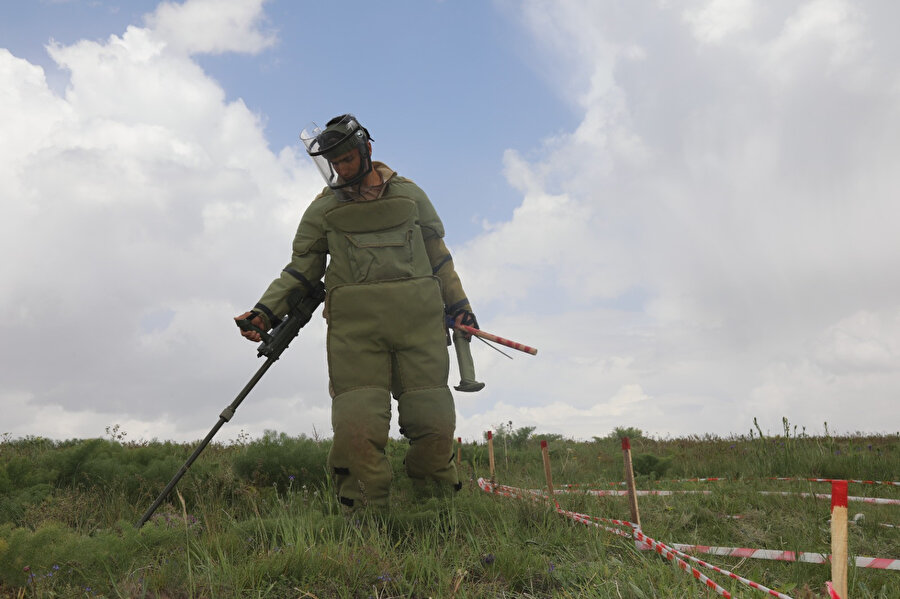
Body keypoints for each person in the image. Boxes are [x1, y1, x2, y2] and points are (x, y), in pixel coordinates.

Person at [235, 114, 477, 510]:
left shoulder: (410, 196)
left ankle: (434, 512)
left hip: (421, 331)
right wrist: (265, 312)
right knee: (355, 429)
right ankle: (366, 521)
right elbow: (301, 270)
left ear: (367, 151)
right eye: (334, 162)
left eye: (347, 159)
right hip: (356, 337)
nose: (341, 169)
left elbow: (440, 260)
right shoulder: (323, 209)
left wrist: (461, 307)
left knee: (434, 424)